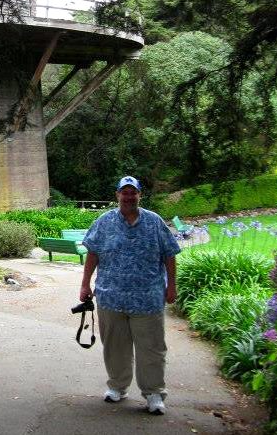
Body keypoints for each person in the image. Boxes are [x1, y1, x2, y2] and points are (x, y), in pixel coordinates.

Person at [80, 175, 180, 415]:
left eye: (132, 192)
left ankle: (154, 393)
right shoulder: (104, 222)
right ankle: (117, 387)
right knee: (115, 347)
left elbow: (169, 254)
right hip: (111, 297)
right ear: (117, 195)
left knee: (152, 348)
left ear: (139, 195)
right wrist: (85, 285)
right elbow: (92, 254)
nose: (128, 196)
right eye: (124, 192)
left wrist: (172, 286)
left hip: (148, 298)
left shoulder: (155, 221)